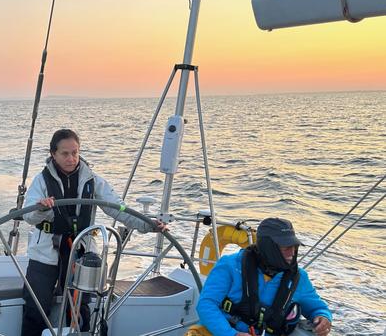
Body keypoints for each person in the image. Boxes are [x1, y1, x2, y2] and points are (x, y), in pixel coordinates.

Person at [20, 129, 165, 336]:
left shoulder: (93, 179)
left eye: (75, 152)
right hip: (45, 252)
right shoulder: (41, 181)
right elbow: (28, 216)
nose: (71, 158)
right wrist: (41, 208)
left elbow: (117, 208)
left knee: (81, 306)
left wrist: (147, 225)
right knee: (36, 305)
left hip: (83, 251)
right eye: (65, 153)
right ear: (53, 154)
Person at [195, 217, 333, 336]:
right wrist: (231, 334)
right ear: (268, 247)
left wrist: (323, 317)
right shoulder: (229, 265)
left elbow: (317, 308)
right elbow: (206, 304)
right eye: (286, 247)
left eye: (294, 246)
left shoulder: (299, 278)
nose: (292, 252)